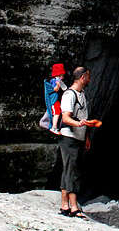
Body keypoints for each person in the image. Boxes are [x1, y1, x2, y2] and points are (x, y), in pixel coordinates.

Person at [58, 66, 101, 217]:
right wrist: (78, 124)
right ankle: (74, 207)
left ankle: (64, 206)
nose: (90, 80)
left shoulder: (82, 94)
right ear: (82, 77)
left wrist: (86, 137)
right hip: (69, 137)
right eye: (88, 77)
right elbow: (65, 118)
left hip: (78, 138)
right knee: (73, 171)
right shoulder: (69, 95)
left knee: (69, 170)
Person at [42, 63, 68, 134]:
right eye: (62, 75)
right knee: (56, 113)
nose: (63, 77)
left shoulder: (57, 80)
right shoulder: (54, 80)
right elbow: (55, 89)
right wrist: (58, 85)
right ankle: (54, 127)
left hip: (56, 100)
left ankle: (55, 127)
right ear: (59, 75)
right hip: (53, 101)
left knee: (58, 112)